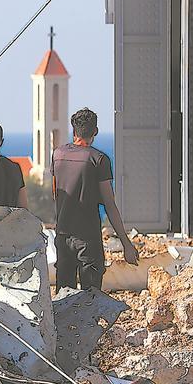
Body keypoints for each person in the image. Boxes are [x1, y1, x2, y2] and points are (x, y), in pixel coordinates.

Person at [51, 108, 139, 290]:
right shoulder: (99, 160)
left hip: (62, 235)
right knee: (91, 296)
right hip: (88, 238)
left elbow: (56, 193)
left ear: (73, 130)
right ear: (95, 132)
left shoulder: (57, 155)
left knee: (63, 296)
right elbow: (109, 203)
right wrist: (125, 243)